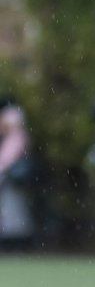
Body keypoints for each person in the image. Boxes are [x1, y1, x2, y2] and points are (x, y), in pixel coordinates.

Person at [0, 105, 33, 247]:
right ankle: (15, 241)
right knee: (12, 212)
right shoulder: (16, 138)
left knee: (13, 212)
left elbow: (7, 160)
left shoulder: (16, 138)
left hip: (11, 180)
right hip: (10, 180)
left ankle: (16, 243)